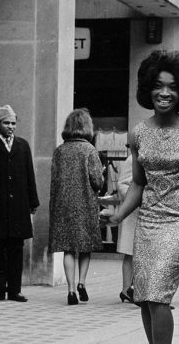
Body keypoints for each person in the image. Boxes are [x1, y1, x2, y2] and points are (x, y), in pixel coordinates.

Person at [107, 49, 179, 344]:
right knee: (143, 298)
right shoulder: (138, 134)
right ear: (148, 88)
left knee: (157, 295)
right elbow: (138, 183)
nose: (164, 93)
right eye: (158, 85)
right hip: (148, 223)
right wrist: (118, 215)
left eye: (172, 86)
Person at [0, 105, 40, 302]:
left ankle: (15, 290)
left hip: (18, 205)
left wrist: (32, 201)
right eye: (6, 123)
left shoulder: (22, 145)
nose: (11, 126)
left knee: (16, 249)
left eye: (13, 123)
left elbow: (29, 174)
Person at [49, 109, 104, 305]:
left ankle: (71, 290)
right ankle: (82, 283)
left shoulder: (59, 151)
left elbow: (54, 181)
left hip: (63, 206)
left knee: (68, 249)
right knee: (85, 246)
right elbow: (97, 181)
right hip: (85, 204)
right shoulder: (89, 150)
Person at [116, 151, 137, 303]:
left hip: (149, 212)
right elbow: (122, 183)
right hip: (133, 211)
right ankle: (125, 289)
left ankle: (136, 289)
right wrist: (133, 199)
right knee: (130, 252)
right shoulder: (133, 159)